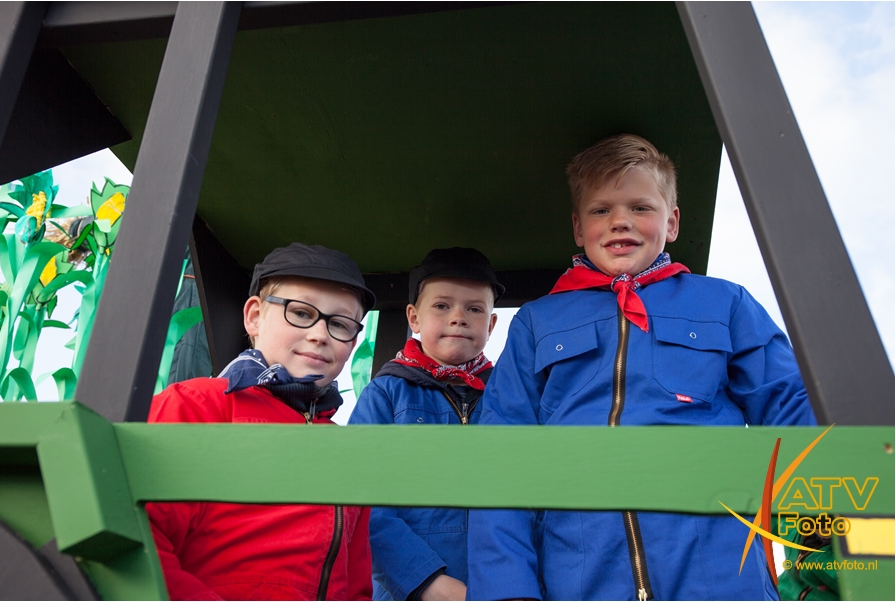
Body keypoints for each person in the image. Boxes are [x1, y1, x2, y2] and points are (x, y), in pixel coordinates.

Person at [466, 135, 817, 601]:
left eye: (640, 207)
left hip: (720, 575)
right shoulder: (538, 321)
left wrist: (834, 519)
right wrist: (508, 591)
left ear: (671, 222)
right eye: (600, 210)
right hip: (581, 576)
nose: (620, 221)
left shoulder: (724, 302)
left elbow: (790, 404)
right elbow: (501, 455)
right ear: (578, 227)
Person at [146, 243, 376, 601]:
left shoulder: (345, 451)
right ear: (254, 317)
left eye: (339, 324)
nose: (320, 334)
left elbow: (357, 586)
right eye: (301, 313)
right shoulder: (197, 405)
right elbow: (143, 539)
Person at [349, 248, 504, 601]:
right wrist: (426, 581)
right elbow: (363, 503)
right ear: (414, 317)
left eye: (475, 309)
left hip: (496, 585)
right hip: (408, 589)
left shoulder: (507, 397)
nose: (458, 318)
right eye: (442, 306)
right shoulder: (386, 394)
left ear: (491, 324)